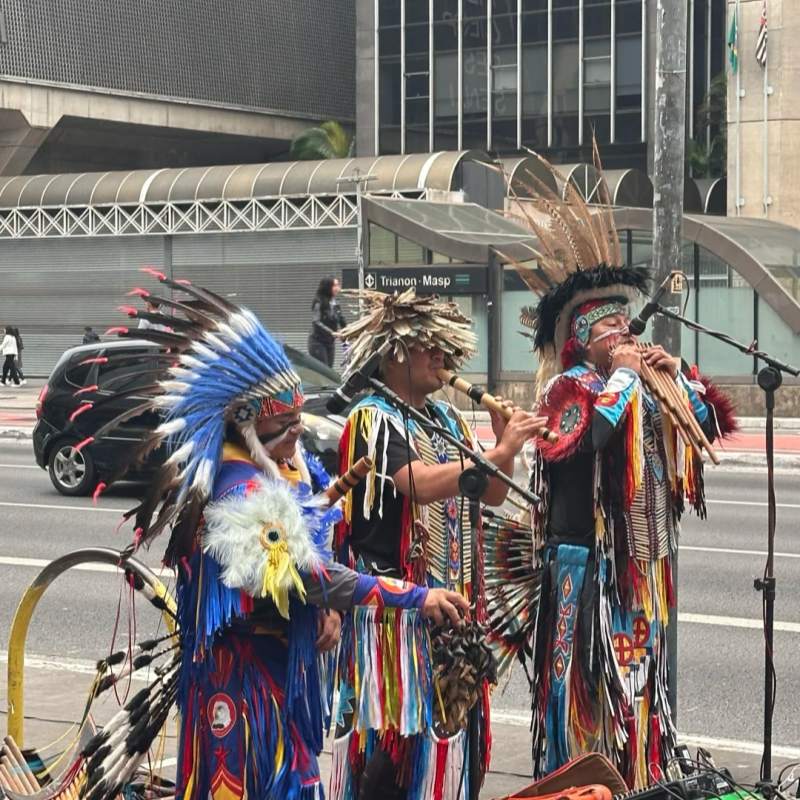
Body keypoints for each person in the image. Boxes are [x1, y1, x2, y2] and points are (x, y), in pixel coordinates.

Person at [57, 272, 467, 800]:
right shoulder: (239, 489)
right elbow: (311, 574)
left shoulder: (278, 466)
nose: (299, 436)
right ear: (248, 425)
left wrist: (330, 611)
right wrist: (416, 596)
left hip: (277, 674)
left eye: (299, 421)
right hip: (241, 682)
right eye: (288, 424)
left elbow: (318, 538)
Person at [495, 164, 737, 789]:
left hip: (639, 569)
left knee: (636, 690)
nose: (625, 334)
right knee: (586, 691)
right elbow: (587, 441)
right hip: (586, 570)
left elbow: (707, 426)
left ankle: (632, 775)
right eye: (611, 328)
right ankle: (578, 780)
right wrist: (628, 376)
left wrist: (677, 374)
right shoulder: (567, 388)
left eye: (625, 325)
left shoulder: (641, 386)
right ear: (581, 336)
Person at [331, 289, 549, 800]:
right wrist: (498, 450)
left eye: (447, 350)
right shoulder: (372, 418)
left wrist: (503, 450)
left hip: (447, 608)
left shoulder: (446, 420)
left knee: (451, 750)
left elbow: (491, 491)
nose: (444, 361)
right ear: (395, 352)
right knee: (394, 748)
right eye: (431, 348)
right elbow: (418, 482)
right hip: (394, 613)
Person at [308, 276, 346, 367]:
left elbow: (341, 319)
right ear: (328, 287)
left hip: (330, 342)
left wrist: (347, 331)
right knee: (323, 370)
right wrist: (332, 333)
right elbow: (316, 322)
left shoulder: (335, 302)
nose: (338, 288)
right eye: (335, 285)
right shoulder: (319, 301)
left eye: (338, 285)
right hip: (318, 342)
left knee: (329, 371)